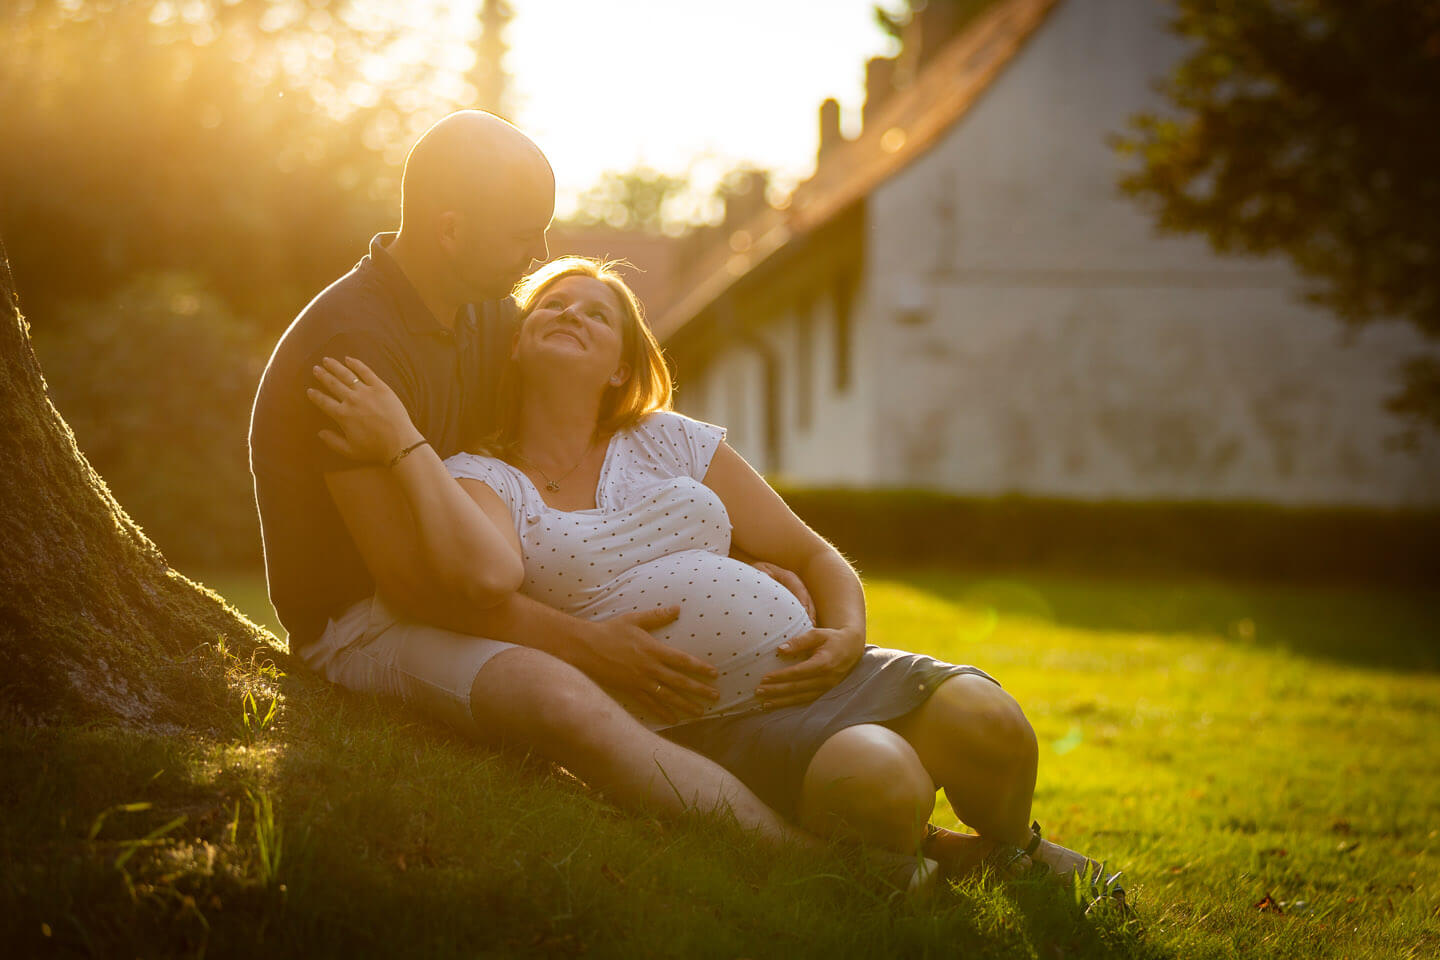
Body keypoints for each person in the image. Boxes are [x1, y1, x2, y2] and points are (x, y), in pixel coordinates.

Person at [305, 255, 1113, 887]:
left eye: (598, 314)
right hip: (703, 718)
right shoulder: (483, 475)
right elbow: (477, 579)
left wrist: (845, 632)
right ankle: (912, 852)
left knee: (990, 723)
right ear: (516, 342)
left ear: (622, 363)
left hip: (820, 670)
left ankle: (1013, 851)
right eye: (551, 305)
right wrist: (406, 447)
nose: (571, 315)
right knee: (884, 783)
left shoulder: (671, 440)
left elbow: (812, 554)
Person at [250, 111, 834, 855]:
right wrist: (589, 647)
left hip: (479, 575)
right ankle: (799, 858)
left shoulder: (486, 315)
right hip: (367, 623)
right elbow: (410, 586)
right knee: (557, 696)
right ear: (451, 229)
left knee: (671, 675)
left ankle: (852, 815)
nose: (543, 254)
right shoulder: (353, 349)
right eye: (525, 233)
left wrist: (741, 570)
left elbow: (577, 441)